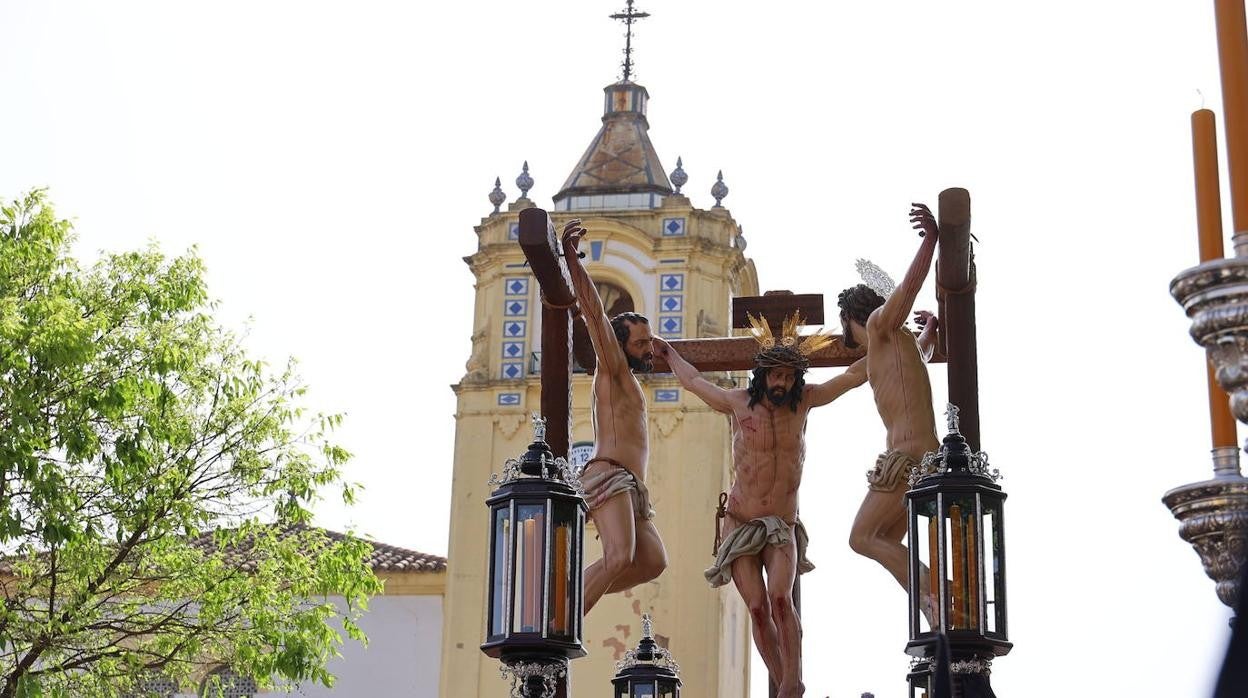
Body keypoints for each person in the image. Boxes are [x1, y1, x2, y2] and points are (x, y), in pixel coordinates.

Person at [655, 320, 866, 698]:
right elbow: (694, 382)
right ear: (762, 375)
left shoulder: (806, 402)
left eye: (788, 376)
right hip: (740, 521)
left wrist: (896, 342)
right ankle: (784, 680)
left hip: (781, 525)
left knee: (781, 599)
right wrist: (669, 353)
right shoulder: (737, 403)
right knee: (756, 607)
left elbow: (852, 376)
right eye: (775, 375)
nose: (781, 383)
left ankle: (792, 681)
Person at [561, 219, 668, 614]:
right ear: (619, 345)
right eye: (642, 343)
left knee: (652, 561)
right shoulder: (612, 368)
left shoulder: (629, 379)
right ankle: (566, 618)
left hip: (632, 487)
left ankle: (570, 591)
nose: (649, 349)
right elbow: (594, 314)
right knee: (620, 556)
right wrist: (574, 264)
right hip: (610, 474)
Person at [841, 203, 942, 610]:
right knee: (884, 539)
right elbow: (923, 353)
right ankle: (934, 598)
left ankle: (933, 595)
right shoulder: (898, 349)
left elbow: (909, 286)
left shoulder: (882, 326)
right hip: (925, 454)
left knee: (861, 537)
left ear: (852, 319)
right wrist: (931, 329)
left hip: (907, 456)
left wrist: (930, 239)